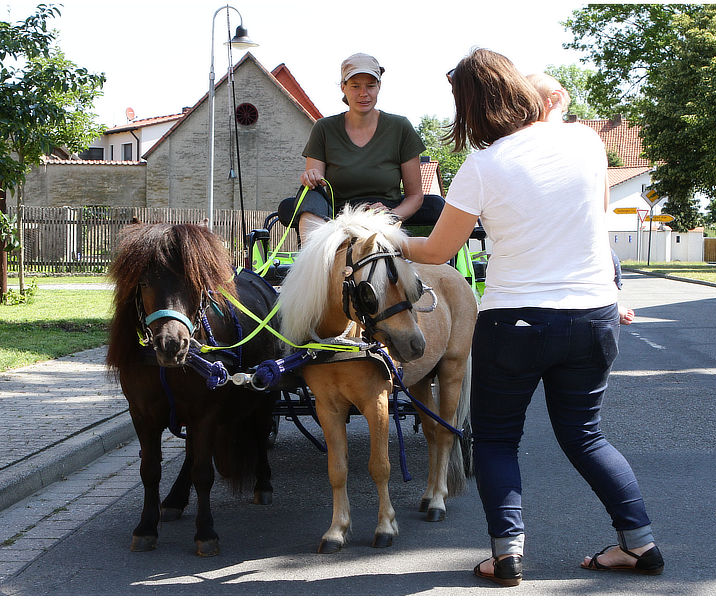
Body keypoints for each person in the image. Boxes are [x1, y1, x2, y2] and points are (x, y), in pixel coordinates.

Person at [402, 48, 662, 586]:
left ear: (469, 109)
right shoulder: (587, 144)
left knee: (497, 440)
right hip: (593, 316)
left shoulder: (483, 165)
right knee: (586, 436)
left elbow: (436, 252)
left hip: (515, 322)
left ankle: (507, 554)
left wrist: (386, 242)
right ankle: (639, 543)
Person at [277, 52, 443, 240]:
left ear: (379, 87)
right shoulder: (324, 128)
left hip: (384, 219)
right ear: (343, 88)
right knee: (305, 197)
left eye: (370, 86)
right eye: (355, 86)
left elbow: (415, 197)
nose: (363, 93)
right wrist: (311, 177)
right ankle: (316, 253)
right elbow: (316, 184)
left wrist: (389, 217)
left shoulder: (400, 128)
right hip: (338, 222)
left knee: (435, 204)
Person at [527, 73, 635, 325]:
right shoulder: (584, 137)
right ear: (555, 98)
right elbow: (602, 204)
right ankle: (611, 300)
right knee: (602, 256)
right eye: (562, 90)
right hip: (572, 233)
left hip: (542, 235)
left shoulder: (515, 145)